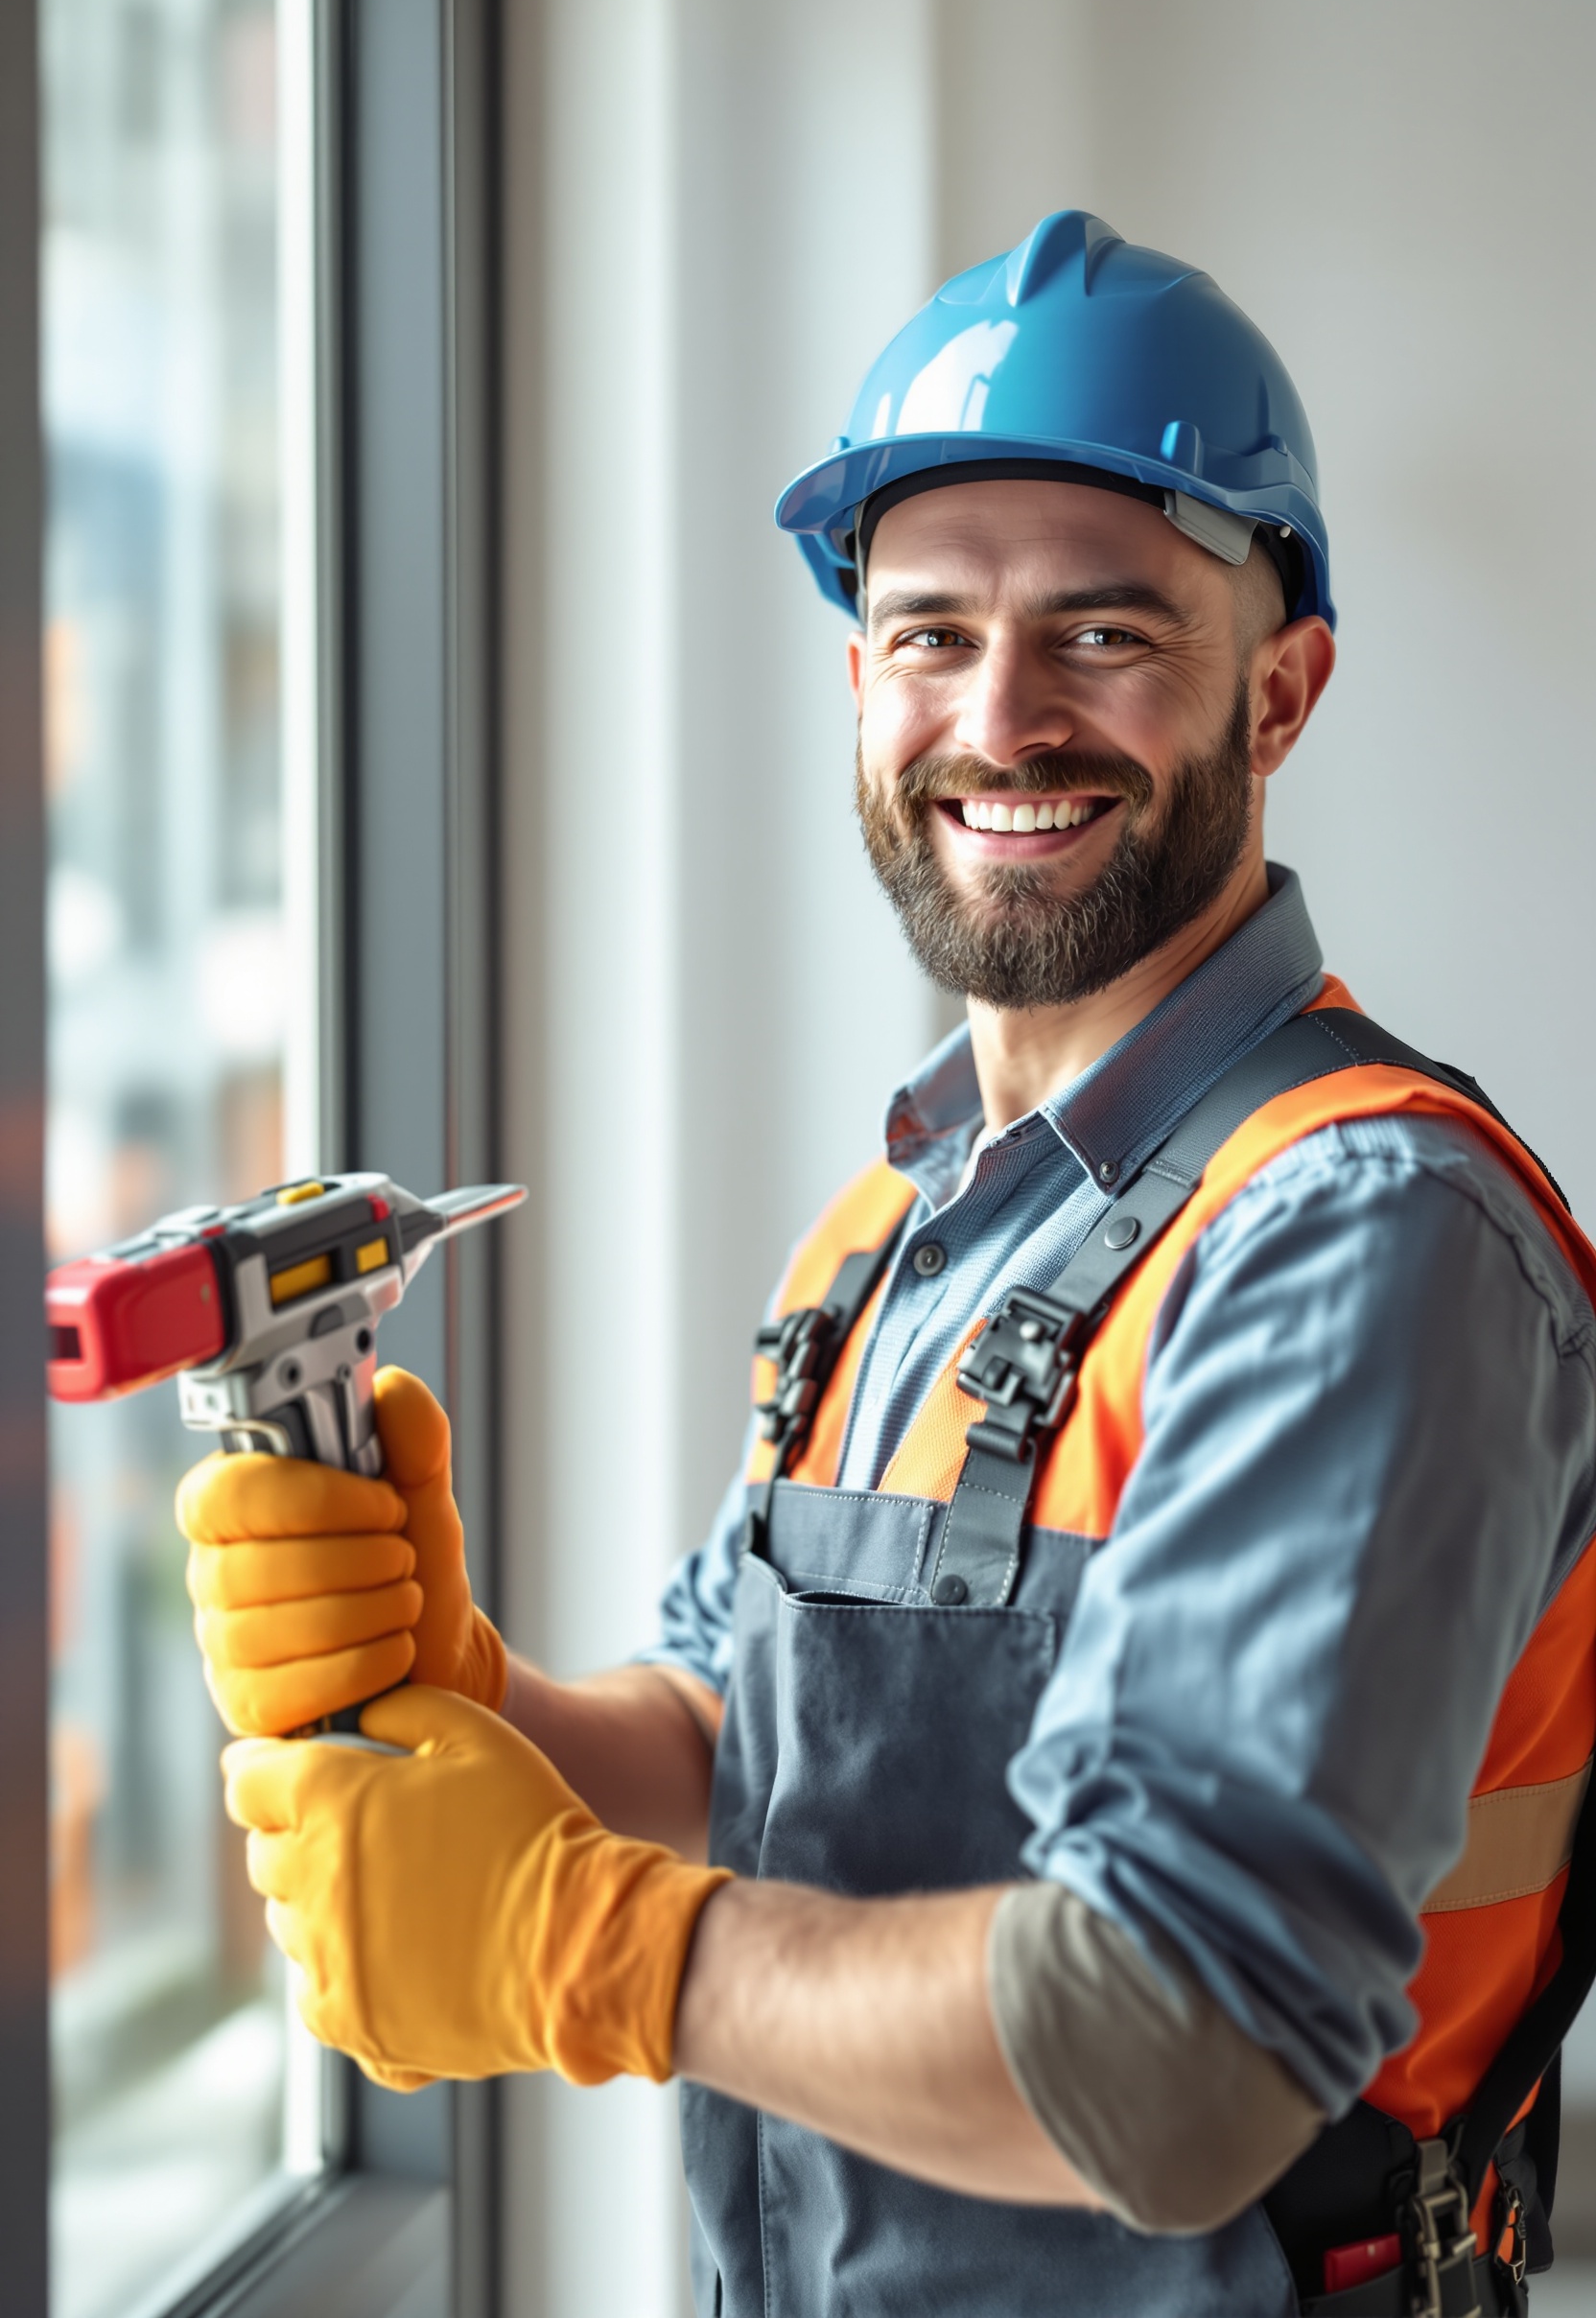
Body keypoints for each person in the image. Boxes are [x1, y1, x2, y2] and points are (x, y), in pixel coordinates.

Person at [181, 211, 1596, 2317]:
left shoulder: (1358, 1236)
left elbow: (1180, 2056)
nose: (1002, 716)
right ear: (860, 682)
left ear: (1281, 689)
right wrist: (473, 1708)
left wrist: (589, 1945)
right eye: (930, 634)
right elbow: (741, 1743)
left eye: (1105, 631)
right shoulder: (897, 1221)